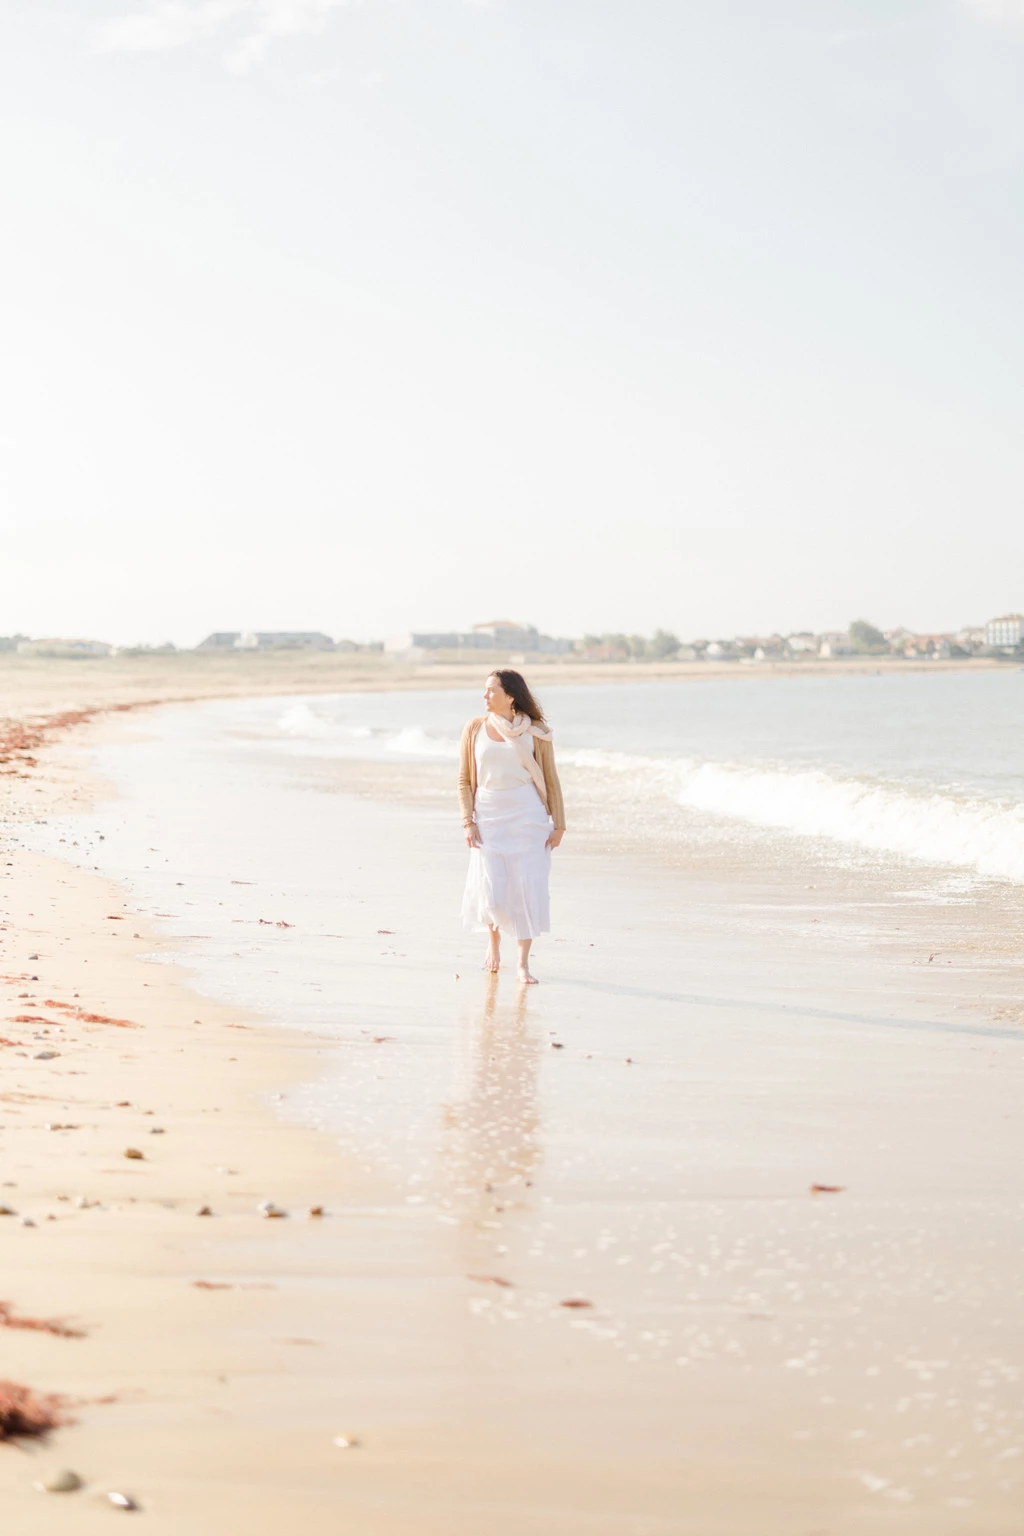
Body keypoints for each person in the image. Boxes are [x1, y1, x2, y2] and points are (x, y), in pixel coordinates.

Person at [458, 670, 566, 984]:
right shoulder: (474, 729)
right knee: (491, 889)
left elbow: (551, 779)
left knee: (526, 890)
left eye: (491, 691)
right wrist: (468, 821)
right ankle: (493, 942)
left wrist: (559, 824)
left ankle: (522, 964)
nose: (485, 696)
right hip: (489, 816)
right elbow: (464, 780)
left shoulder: (537, 732)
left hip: (527, 817)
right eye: (485, 690)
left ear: (511, 696)